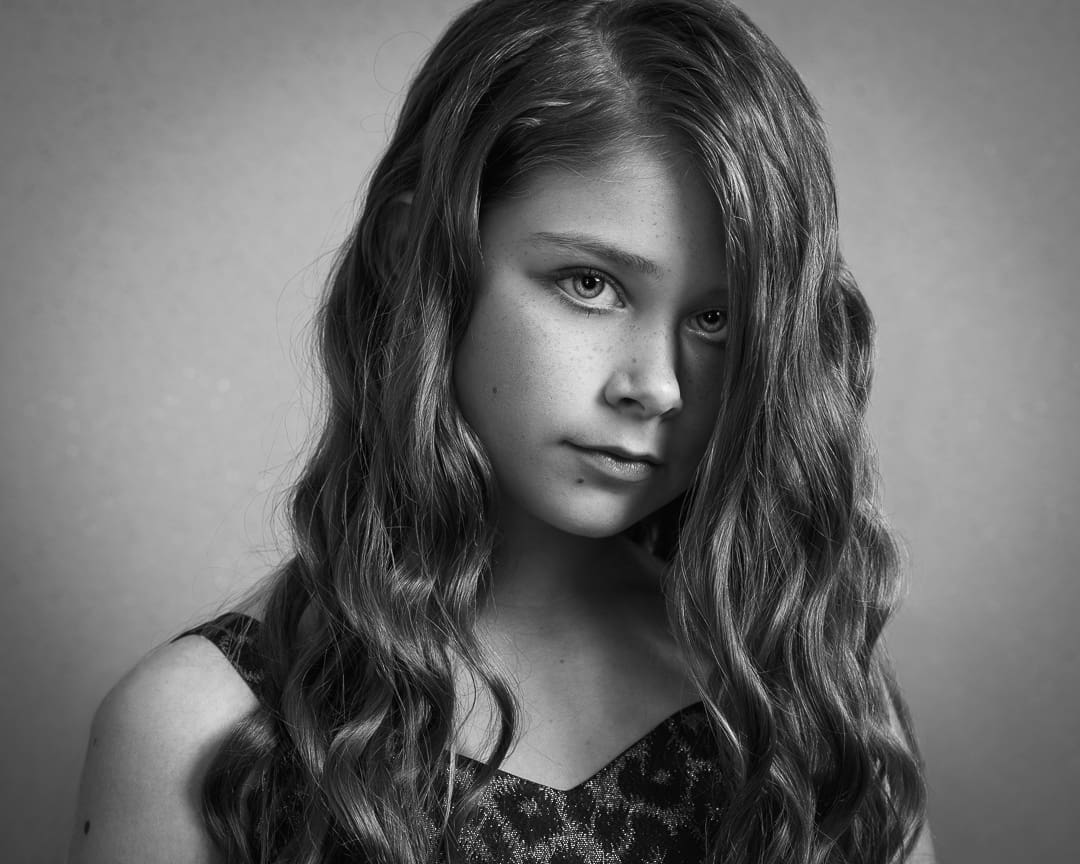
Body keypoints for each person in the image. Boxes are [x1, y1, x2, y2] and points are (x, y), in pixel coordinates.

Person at [68, 0, 935, 861]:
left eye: (716, 320)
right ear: (422, 254)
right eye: (591, 284)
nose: (658, 385)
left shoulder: (805, 695)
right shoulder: (202, 732)